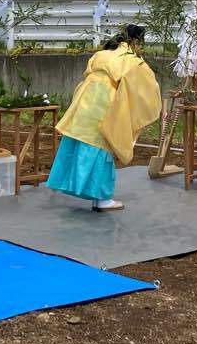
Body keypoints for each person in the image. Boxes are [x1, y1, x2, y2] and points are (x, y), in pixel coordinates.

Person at [47, 24, 161, 211]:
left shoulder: (103, 54)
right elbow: (148, 88)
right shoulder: (132, 61)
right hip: (104, 103)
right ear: (135, 42)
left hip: (85, 100)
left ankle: (89, 191)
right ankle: (102, 198)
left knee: (82, 141)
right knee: (103, 145)